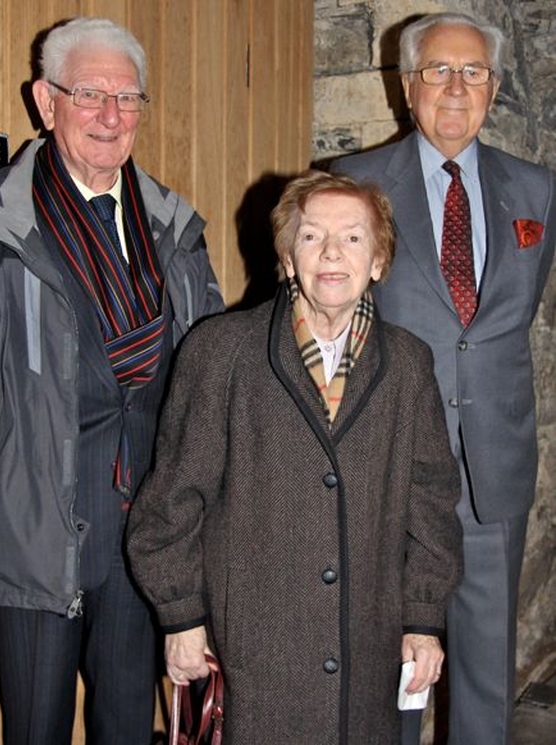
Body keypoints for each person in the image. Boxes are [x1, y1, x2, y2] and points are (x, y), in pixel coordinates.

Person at [0, 16, 223, 745]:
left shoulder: (176, 230)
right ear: (45, 102)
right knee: (35, 729)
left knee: (125, 723)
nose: (111, 116)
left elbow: (213, 376)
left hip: (144, 531)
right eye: (89, 94)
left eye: (128, 99)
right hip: (30, 527)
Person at [127, 169, 463, 744]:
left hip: (365, 648)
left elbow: (430, 504)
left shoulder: (408, 365)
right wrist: (182, 617)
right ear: (286, 258)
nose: (332, 252)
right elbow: (170, 504)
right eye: (311, 237)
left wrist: (423, 619)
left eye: (354, 237)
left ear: (378, 261)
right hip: (253, 652)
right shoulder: (221, 353)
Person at [329, 11, 556, 745]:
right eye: (438, 71)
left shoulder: (537, 191)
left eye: (475, 72)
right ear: (407, 86)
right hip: (392, 469)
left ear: (492, 87)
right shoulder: (356, 184)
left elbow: (501, 324)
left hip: (495, 470)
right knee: (392, 668)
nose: (456, 88)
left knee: (486, 674)